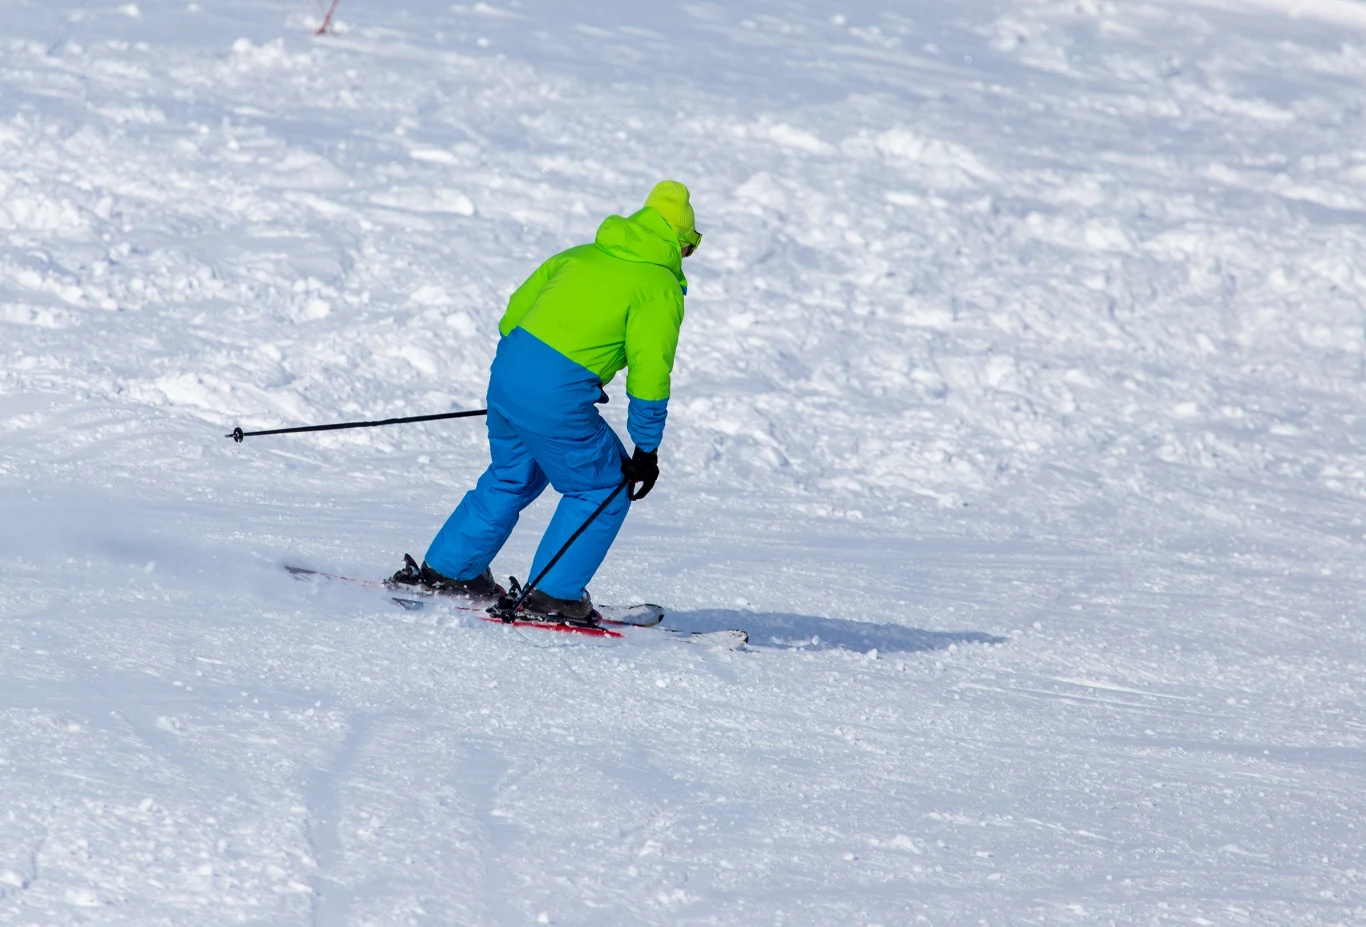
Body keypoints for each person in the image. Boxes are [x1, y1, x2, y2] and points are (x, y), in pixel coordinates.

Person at [390, 181, 701, 621]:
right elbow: (650, 376)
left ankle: (450, 572)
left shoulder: (577, 256)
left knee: (512, 474)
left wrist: (539, 383)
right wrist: (645, 449)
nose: (689, 257)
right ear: (679, 242)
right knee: (603, 486)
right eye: (691, 247)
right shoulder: (658, 285)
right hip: (553, 397)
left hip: (508, 378)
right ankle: (552, 595)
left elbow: (512, 318)